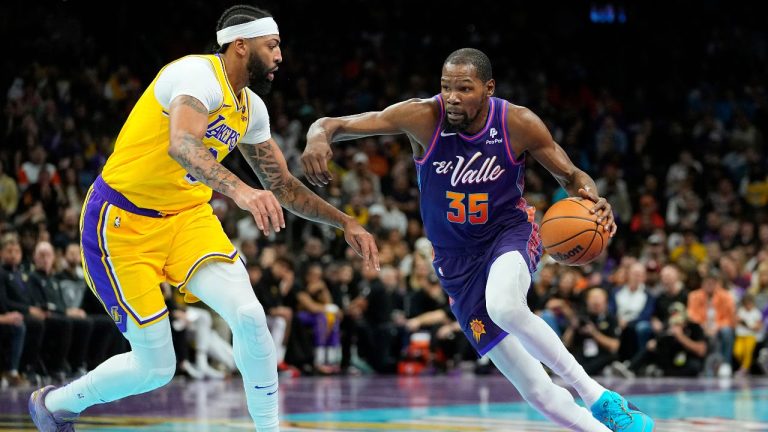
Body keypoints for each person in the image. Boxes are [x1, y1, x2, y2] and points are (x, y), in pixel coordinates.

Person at [29, 5, 378, 432]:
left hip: (187, 218)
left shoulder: (252, 108)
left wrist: (345, 221)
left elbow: (283, 187)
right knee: (156, 367)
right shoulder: (195, 76)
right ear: (240, 46)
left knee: (250, 316)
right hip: (120, 222)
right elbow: (182, 144)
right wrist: (242, 190)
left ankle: (268, 429)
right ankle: (57, 403)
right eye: (272, 45)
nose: (280, 55)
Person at [302, 48, 654, 431]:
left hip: (508, 233)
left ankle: (598, 397)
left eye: (464, 88)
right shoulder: (421, 117)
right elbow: (331, 122)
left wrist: (592, 197)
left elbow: (571, 176)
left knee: (504, 305)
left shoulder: (517, 123)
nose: (452, 96)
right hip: (455, 263)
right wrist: (317, 136)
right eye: (446, 87)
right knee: (534, 389)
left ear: (488, 89)